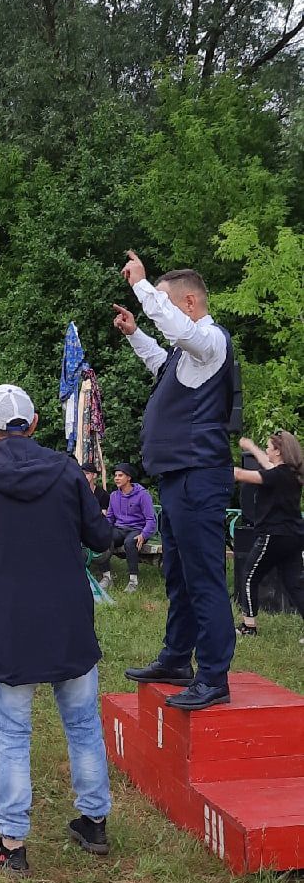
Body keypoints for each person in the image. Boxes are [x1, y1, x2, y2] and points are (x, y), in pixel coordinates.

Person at [0, 384, 114, 876]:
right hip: (68, 619)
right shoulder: (64, 470)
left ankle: (11, 845)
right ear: (32, 424)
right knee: (82, 725)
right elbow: (101, 537)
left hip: (9, 621)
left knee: (12, 733)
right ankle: (93, 821)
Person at [115, 253, 237, 709]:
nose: (157, 311)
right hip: (178, 479)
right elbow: (162, 365)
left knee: (203, 577)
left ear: (189, 302)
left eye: (165, 304)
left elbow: (178, 333)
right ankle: (175, 659)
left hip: (199, 477)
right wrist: (135, 335)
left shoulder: (210, 340)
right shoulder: (189, 355)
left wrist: (143, 287)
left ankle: (214, 676)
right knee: (179, 576)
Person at [234, 432, 304, 636]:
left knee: (249, 577)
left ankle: (249, 627)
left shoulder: (275, 475)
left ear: (278, 451)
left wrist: (213, 467)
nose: (266, 450)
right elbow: (266, 463)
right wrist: (251, 446)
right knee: (295, 585)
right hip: (294, 536)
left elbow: (240, 475)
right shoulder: (291, 473)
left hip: (273, 535)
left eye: (268, 447)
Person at [97, 463, 158, 593]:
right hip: (120, 529)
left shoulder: (143, 495)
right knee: (102, 538)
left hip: (137, 529)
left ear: (128, 478)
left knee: (130, 542)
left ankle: (133, 581)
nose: (116, 478)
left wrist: (144, 534)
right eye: (115, 476)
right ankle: (107, 577)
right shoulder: (114, 496)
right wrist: (103, 530)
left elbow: (150, 520)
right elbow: (110, 518)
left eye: (120, 475)